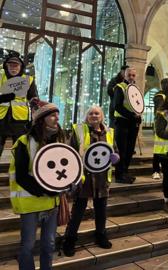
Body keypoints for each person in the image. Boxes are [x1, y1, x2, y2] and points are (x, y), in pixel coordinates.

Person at [9, 100, 63, 270]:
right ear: (42, 119)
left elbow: (66, 169)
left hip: (51, 203)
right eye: (52, 115)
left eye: (57, 115)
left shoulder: (59, 140)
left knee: (49, 245)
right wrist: (46, 190)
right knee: (27, 246)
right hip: (30, 203)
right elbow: (22, 176)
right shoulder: (24, 142)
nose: (57, 118)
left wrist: (68, 185)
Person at [62, 106, 117, 257]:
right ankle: (70, 239)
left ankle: (101, 235)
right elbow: (71, 152)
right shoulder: (79, 130)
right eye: (91, 113)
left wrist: (115, 157)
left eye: (97, 113)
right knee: (78, 212)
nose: (94, 115)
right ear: (87, 116)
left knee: (101, 211)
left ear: (102, 116)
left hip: (102, 178)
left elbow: (114, 151)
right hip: (84, 178)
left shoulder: (110, 132)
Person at [0, 54, 38, 158]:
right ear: (6, 66)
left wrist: (35, 106)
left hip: (20, 120)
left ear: (21, 67)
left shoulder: (28, 80)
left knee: (19, 150)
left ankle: (18, 172)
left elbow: (33, 97)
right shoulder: (0, 77)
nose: (13, 68)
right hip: (1, 118)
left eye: (16, 65)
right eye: (11, 65)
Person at [113, 67, 141, 184]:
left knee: (129, 150)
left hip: (132, 123)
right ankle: (119, 175)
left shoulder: (135, 88)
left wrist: (138, 117)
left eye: (133, 75)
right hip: (122, 121)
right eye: (129, 75)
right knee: (122, 149)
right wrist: (132, 115)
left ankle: (125, 172)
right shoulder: (120, 87)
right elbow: (117, 106)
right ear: (124, 76)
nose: (131, 77)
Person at [152, 78, 168, 180]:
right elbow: (161, 109)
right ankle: (156, 170)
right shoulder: (160, 96)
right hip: (161, 124)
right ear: (165, 85)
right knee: (158, 149)